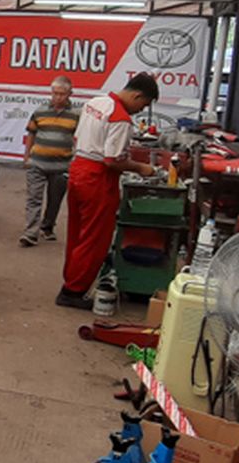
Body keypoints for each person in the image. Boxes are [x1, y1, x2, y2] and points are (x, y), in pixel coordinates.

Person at [56, 73, 160, 310]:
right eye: (142, 105)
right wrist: (142, 167)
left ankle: (71, 280)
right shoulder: (121, 118)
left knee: (77, 232)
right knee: (95, 238)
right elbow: (112, 160)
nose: (139, 111)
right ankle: (73, 291)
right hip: (98, 178)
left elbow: (78, 137)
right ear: (137, 95)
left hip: (78, 170)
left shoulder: (95, 103)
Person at [21, 76, 79, 247]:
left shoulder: (76, 114)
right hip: (37, 163)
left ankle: (47, 227)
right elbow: (31, 133)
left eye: (62, 94)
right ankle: (30, 233)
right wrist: (27, 157)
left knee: (55, 200)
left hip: (61, 166)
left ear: (70, 94)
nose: (58, 97)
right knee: (33, 199)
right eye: (55, 93)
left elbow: (80, 137)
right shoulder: (40, 111)